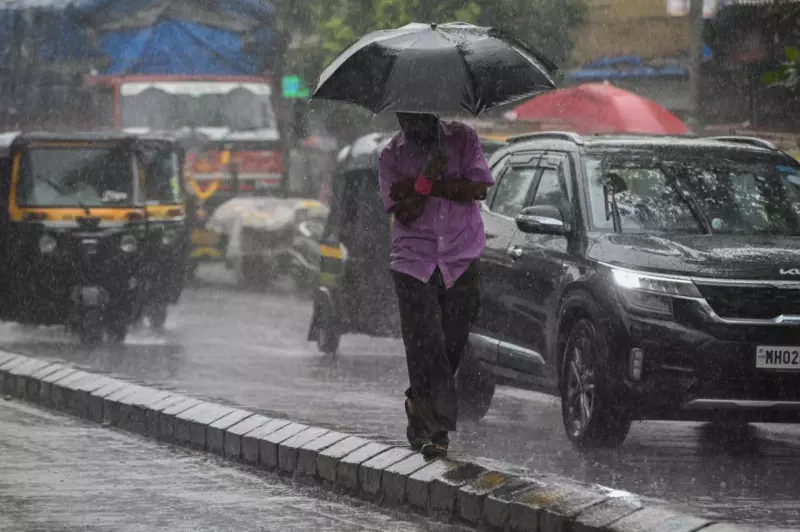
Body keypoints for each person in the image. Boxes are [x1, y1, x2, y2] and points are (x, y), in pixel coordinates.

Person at [378, 112, 494, 458]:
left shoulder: (464, 139)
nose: (408, 122)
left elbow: (478, 189)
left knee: (451, 343)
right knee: (425, 341)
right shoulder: (391, 155)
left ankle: (419, 401)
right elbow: (407, 212)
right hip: (414, 260)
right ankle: (435, 429)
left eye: (415, 115)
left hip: (462, 256)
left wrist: (422, 187)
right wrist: (428, 178)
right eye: (402, 115)